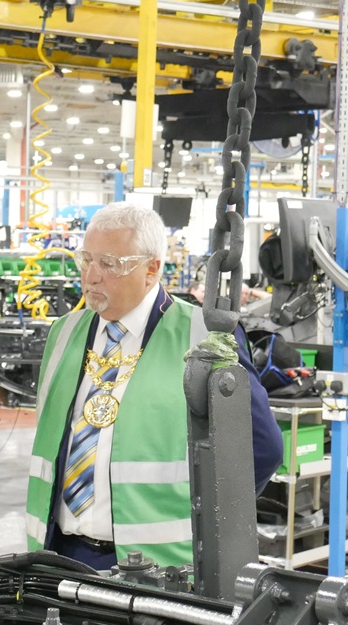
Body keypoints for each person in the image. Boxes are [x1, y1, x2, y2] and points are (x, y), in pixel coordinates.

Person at [26, 204, 282, 570]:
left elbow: (262, 447)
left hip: (157, 566)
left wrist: (207, 514)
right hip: (56, 555)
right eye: (87, 260)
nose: (91, 277)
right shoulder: (63, 333)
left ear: (151, 269)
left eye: (110, 263)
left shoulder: (203, 335)